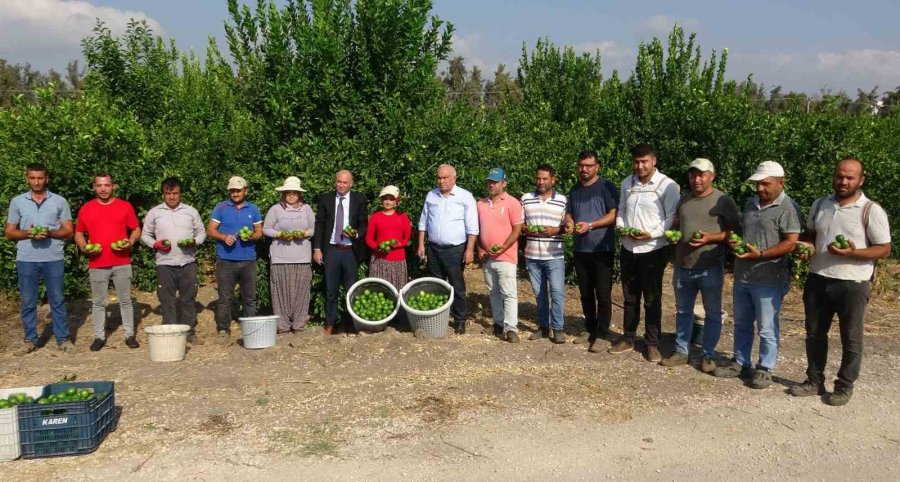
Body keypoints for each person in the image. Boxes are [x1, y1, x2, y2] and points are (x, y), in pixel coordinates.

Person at [790, 158, 891, 406]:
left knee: (851, 338)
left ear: (861, 180)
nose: (843, 181)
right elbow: (812, 237)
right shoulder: (820, 204)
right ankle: (814, 381)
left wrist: (853, 253)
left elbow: (884, 249)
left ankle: (844, 386)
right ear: (834, 176)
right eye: (840, 176)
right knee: (814, 334)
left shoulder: (871, 210)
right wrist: (806, 248)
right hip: (818, 279)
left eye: (850, 177)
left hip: (853, 283)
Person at [714, 161, 802, 389]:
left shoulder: (788, 207)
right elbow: (746, 234)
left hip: (769, 279)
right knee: (742, 323)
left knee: (766, 327)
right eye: (757, 184)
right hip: (744, 275)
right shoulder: (751, 203)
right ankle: (741, 362)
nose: (760, 189)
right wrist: (737, 243)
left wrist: (761, 254)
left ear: (781, 183)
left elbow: (791, 242)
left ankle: (765, 368)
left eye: (766, 184)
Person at [659, 159, 740, 372]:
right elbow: (678, 224)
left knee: (712, 313)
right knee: (683, 311)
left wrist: (710, 238)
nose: (697, 179)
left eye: (701, 174)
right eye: (693, 175)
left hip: (710, 267)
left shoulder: (723, 200)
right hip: (683, 266)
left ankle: (708, 355)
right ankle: (681, 352)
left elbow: (735, 233)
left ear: (712, 176)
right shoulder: (684, 200)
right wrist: (674, 236)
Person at [610, 144, 679, 362]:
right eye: (637, 162)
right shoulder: (627, 183)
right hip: (629, 248)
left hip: (653, 250)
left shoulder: (667, 185)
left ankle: (652, 343)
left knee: (652, 298)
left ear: (654, 161)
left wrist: (651, 234)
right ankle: (628, 338)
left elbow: (672, 218)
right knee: (630, 297)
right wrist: (621, 226)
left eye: (644, 162)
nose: (640, 166)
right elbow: (621, 209)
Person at [5, 163, 74, 354]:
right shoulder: (18, 201)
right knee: (28, 300)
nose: (36, 182)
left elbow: (69, 230)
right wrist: (28, 233)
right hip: (27, 258)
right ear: (27, 179)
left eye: (40, 178)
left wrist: (49, 233)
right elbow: (9, 232)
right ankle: (30, 340)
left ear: (46, 179)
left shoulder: (59, 201)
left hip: (53, 257)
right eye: (33, 178)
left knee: (57, 299)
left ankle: (63, 339)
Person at [74, 172, 142, 351]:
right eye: (99, 185)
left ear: (113, 186)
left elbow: (136, 229)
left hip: (121, 261)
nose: (103, 189)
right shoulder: (86, 208)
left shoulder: (125, 206)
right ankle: (99, 336)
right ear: (94, 187)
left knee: (125, 300)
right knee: (98, 302)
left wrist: (131, 241)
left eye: (107, 185)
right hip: (97, 262)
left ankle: (129, 335)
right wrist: (83, 247)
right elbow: (79, 232)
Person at [564, 150, 619, 353]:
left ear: (597, 166)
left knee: (603, 293)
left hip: (602, 248)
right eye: (581, 165)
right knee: (585, 293)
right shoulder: (575, 189)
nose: (584, 169)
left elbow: (614, 214)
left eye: (588, 165)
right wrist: (569, 222)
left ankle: (603, 334)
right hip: (581, 248)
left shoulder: (606, 186)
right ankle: (590, 329)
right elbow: (569, 213)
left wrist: (591, 225)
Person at [141, 177, 207, 344]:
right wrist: (155, 243)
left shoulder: (191, 211)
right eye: (168, 193)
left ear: (180, 193)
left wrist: (195, 242)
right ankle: (170, 330)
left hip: (187, 261)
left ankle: (189, 332)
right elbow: (145, 235)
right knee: (167, 299)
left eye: (175, 193)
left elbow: (201, 233)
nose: (171, 197)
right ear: (163, 194)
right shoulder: (155, 212)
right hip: (164, 263)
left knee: (188, 298)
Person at [416, 164, 479, 334]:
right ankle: (440, 317)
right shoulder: (431, 195)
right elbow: (423, 221)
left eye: (445, 178)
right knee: (437, 284)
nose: (441, 181)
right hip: (434, 248)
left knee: (456, 285)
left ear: (454, 178)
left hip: (455, 249)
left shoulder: (465, 197)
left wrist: (469, 249)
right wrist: (421, 244)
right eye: (439, 177)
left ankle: (460, 319)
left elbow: (472, 226)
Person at [207, 176, 263, 344]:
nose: (235, 193)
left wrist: (252, 237)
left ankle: (250, 328)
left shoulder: (253, 209)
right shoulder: (221, 207)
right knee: (225, 297)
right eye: (232, 190)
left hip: (248, 260)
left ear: (245, 190)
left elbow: (259, 231)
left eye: (238, 190)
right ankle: (224, 329)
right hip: (226, 260)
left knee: (249, 297)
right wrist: (223, 237)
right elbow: (210, 230)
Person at [313, 170, 368, 334]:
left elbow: (364, 223)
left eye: (345, 182)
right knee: (331, 290)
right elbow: (320, 224)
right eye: (338, 182)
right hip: (332, 250)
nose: (341, 185)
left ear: (351, 183)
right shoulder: (326, 199)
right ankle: (330, 323)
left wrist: (356, 234)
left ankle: (350, 323)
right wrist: (317, 248)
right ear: (335, 182)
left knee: (351, 289)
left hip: (351, 250)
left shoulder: (359, 199)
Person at [477, 168, 524, 343]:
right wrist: (480, 249)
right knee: (493, 292)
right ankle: (498, 324)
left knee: (508, 293)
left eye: (495, 182)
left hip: (506, 256)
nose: (491, 185)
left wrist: (503, 247)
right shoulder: (480, 204)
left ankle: (511, 328)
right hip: (487, 257)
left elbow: (517, 229)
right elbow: (476, 230)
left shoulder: (512, 203)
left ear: (504, 183)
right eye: (489, 181)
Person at [522, 164, 567, 344]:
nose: (541, 182)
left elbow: (568, 225)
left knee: (557, 293)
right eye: (538, 178)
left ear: (553, 180)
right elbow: (519, 224)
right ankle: (543, 327)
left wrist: (556, 229)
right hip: (532, 255)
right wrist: (528, 229)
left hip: (554, 255)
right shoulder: (526, 198)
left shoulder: (563, 200)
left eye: (545, 179)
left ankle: (558, 328)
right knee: (539, 294)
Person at [263, 176, 316, 334]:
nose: (291, 195)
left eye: (294, 193)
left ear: (299, 195)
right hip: (280, 258)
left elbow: (314, 229)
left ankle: (299, 325)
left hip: (302, 257)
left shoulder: (307, 209)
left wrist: (305, 233)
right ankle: (283, 326)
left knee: (301, 292)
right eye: (288, 193)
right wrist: (279, 234)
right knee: (281, 292)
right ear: (283, 194)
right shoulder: (275, 209)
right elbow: (266, 229)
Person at [365, 185, 412, 291]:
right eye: (385, 198)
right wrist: (378, 248)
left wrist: (399, 244)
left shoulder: (402, 216)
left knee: (396, 290)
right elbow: (369, 239)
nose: (388, 202)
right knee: (379, 292)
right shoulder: (375, 217)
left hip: (397, 260)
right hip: (379, 260)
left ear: (396, 201)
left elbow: (407, 237)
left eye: (391, 199)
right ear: (382, 200)